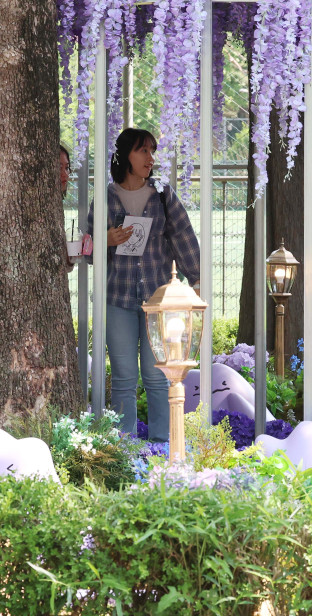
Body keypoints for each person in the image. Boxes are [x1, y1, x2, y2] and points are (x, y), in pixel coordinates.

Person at [86, 128, 200, 442]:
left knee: (158, 374)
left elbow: (184, 236)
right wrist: (103, 241)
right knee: (123, 376)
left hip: (158, 301)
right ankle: (123, 445)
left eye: (152, 151)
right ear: (126, 156)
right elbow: (87, 251)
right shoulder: (105, 197)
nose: (151, 158)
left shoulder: (163, 193)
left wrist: (198, 277)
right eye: (144, 151)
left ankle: (164, 443)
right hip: (117, 299)